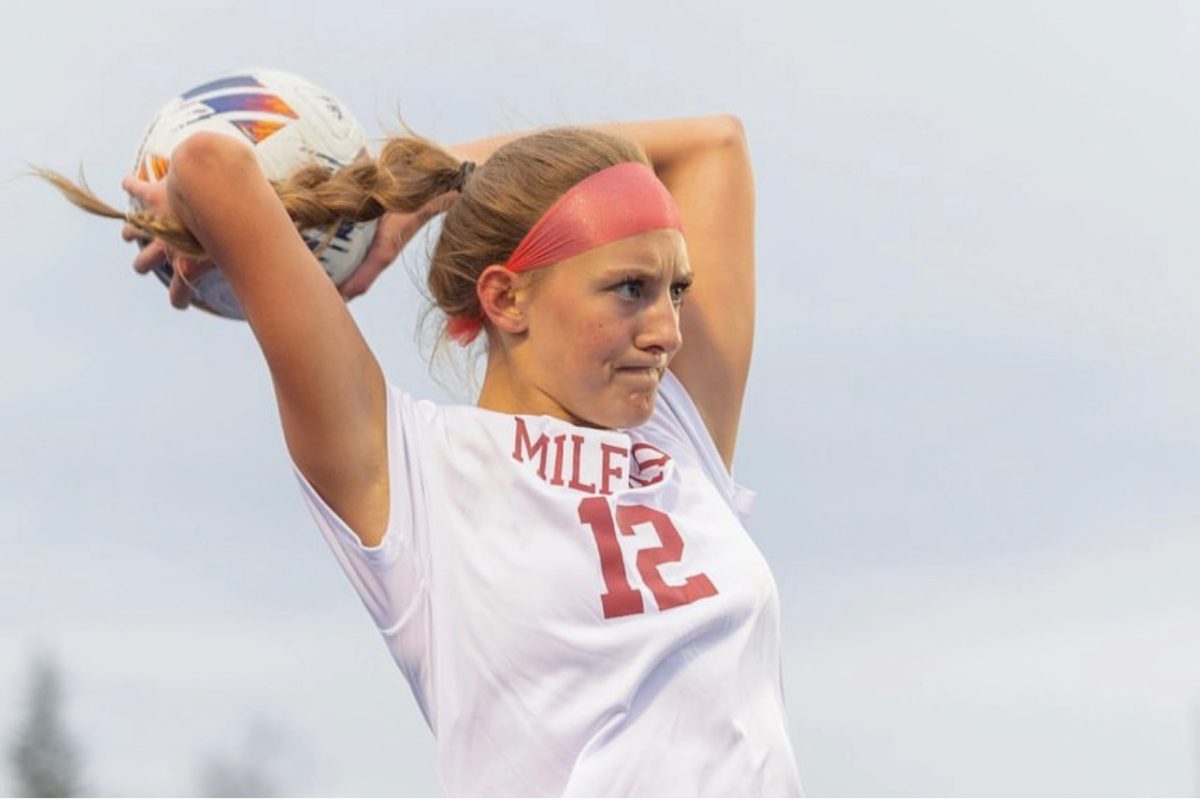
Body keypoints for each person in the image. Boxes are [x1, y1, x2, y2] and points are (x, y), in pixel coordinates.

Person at [44, 115, 801, 796]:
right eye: (631, 289)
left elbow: (717, 144)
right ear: (505, 299)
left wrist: (440, 181)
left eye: (677, 289)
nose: (668, 329)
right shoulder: (410, 471)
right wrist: (390, 197)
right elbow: (210, 164)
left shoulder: (677, 437)